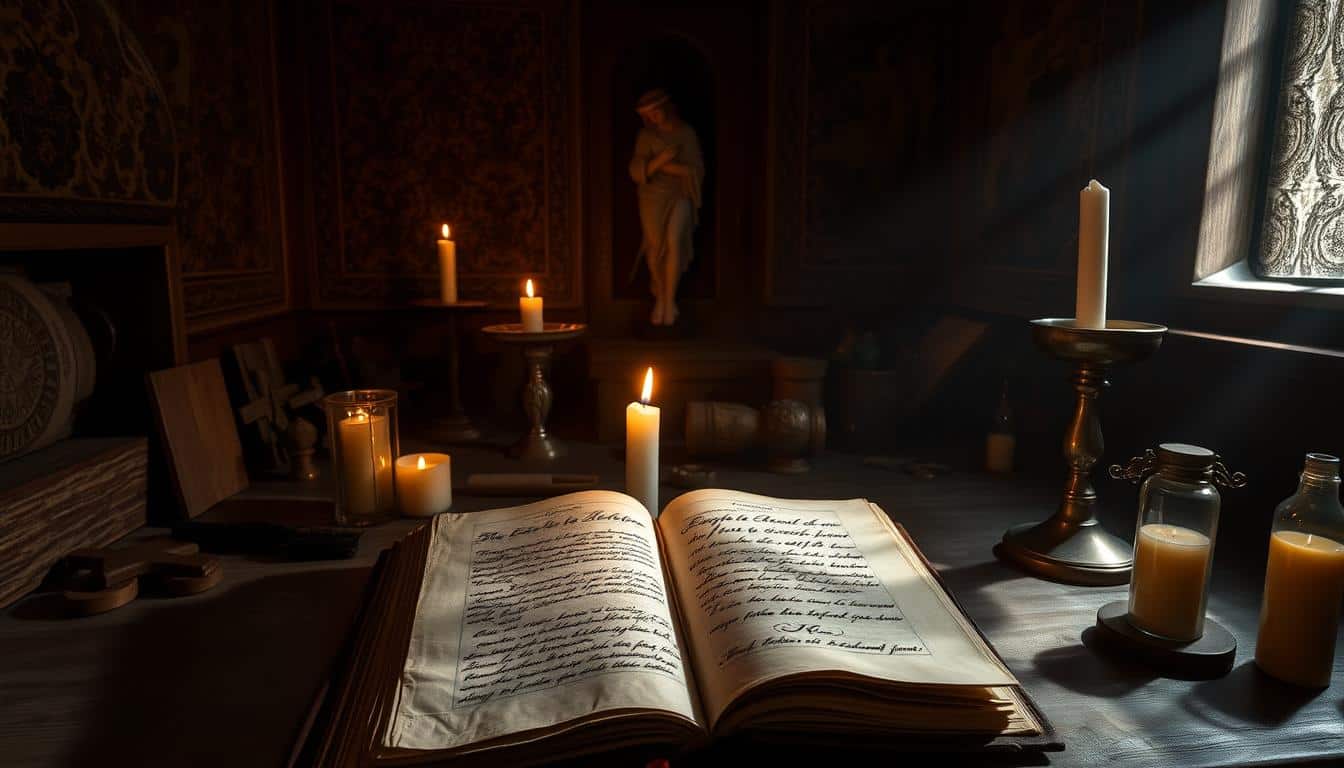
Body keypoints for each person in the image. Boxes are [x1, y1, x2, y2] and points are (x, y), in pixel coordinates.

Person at [628, 88, 704, 326]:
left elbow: (694, 170)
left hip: (680, 193)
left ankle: (669, 301)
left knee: (674, 242)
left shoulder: (686, 133)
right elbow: (637, 171)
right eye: (647, 115)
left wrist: (658, 166)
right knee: (655, 245)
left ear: (666, 108)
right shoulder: (645, 136)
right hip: (651, 197)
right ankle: (661, 298)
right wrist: (661, 161)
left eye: (655, 112)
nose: (652, 119)